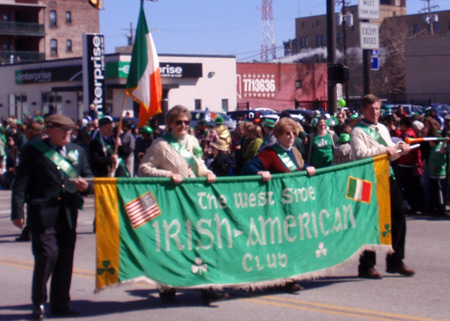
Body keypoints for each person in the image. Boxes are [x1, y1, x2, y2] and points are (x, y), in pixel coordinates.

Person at [138, 105, 228, 305]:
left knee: (203, 241)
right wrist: (168, 175)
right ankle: (167, 286)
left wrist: (207, 174)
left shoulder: (193, 141)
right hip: (172, 201)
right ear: (170, 124)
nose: (183, 126)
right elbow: (144, 169)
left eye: (186, 122)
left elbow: (199, 165)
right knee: (173, 245)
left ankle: (209, 287)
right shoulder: (161, 145)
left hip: (195, 200)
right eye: (178, 122)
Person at [11, 114, 93, 319]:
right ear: (49, 131)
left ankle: (60, 304)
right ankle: (38, 302)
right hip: (43, 213)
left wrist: (86, 186)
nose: (68, 134)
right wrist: (18, 211)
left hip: (68, 213)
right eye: (62, 130)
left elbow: (88, 175)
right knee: (47, 256)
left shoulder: (77, 151)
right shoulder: (34, 150)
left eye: (70, 130)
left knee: (65, 261)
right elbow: (21, 182)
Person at [242, 117, 316, 293]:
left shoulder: (295, 151)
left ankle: (291, 275)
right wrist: (260, 171)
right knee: (280, 242)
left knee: (293, 240)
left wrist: (308, 168)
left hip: (294, 205)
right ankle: (284, 279)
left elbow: (300, 166)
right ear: (278, 135)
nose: (291, 137)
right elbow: (248, 167)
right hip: (277, 206)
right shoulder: (270, 153)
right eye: (286, 133)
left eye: (293, 133)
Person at [351, 94, 415, 279]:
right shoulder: (358, 131)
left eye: (378, 109)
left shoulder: (382, 128)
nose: (375, 113)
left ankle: (396, 261)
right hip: (368, 179)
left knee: (398, 217)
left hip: (387, 176)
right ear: (363, 110)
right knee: (371, 222)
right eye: (371, 109)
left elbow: (390, 152)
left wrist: (400, 149)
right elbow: (360, 154)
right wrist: (383, 150)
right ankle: (366, 265)